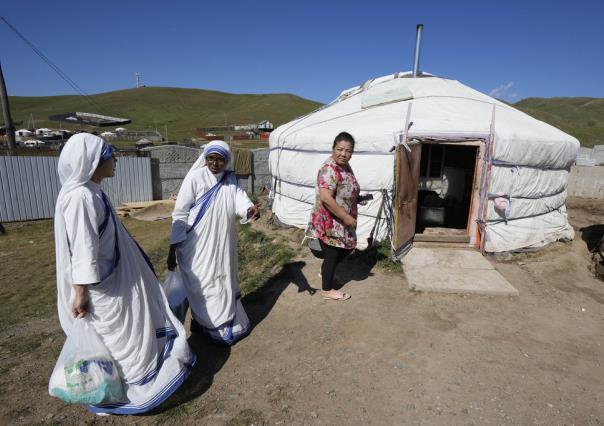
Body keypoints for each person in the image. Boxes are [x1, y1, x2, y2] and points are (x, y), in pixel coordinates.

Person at [53, 133, 195, 415]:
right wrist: (80, 292)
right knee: (116, 341)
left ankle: (128, 382)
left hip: (113, 283)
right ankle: (126, 390)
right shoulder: (80, 197)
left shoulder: (91, 191)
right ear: (92, 161)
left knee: (125, 337)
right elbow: (83, 249)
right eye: (109, 154)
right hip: (103, 291)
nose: (115, 158)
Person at [167, 140, 259, 345]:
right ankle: (205, 323)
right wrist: (172, 248)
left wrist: (249, 209)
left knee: (222, 279)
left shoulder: (230, 179)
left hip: (223, 244)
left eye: (219, 160)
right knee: (204, 283)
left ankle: (224, 324)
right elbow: (180, 212)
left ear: (227, 161)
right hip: (196, 244)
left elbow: (240, 199)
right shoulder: (195, 177)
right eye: (211, 159)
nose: (215, 164)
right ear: (205, 158)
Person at [308, 131, 366, 301]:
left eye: (348, 151)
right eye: (340, 149)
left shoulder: (345, 166)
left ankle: (326, 271)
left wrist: (357, 199)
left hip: (342, 218)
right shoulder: (329, 168)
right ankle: (327, 289)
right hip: (331, 219)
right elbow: (326, 197)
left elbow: (344, 189)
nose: (343, 154)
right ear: (333, 148)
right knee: (333, 253)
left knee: (345, 249)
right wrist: (346, 217)